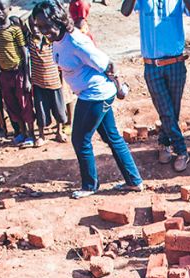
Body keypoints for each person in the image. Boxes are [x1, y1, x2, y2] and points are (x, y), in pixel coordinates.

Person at [32, 0, 144, 198]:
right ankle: (134, 181)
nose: (43, 31)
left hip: (95, 94)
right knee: (111, 137)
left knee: (80, 139)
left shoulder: (76, 41)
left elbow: (108, 64)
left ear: (57, 20)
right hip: (91, 93)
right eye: (39, 26)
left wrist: (120, 88)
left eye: (46, 25)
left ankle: (89, 186)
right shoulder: (57, 40)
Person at [119, 0, 190, 172]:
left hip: (176, 63)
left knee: (172, 110)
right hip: (152, 66)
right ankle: (181, 151)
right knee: (165, 111)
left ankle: (164, 143)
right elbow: (125, 11)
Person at [0, 0, 34, 147]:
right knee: (12, 105)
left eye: (2, 8)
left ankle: (31, 134)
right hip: (5, 74)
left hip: (18, 73)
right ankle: (22, 132)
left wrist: (27, 78)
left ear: (9, 9)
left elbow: (25, 54)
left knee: (25, 104)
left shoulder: (15, 30)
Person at [26, 21, 68, 144]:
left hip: (54, 81)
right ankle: (41, 135)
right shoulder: (30, 40)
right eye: (32, 26)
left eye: (38, 26)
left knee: (58, 109)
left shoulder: (51, 41)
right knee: (41, 110)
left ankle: (59, 131)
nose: (36, 29)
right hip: (38, 82)